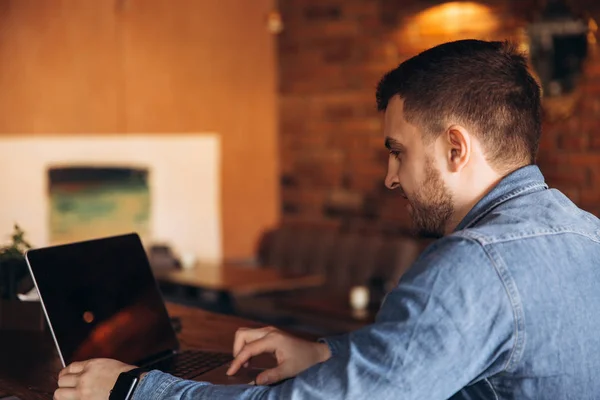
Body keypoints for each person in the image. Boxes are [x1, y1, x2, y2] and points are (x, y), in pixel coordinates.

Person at [53, 39, 600, 400]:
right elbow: (423, 355)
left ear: (456, 147)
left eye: (398, 151)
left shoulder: (474, 265)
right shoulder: (586, 232)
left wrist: (133, 389)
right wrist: (323, 353)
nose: (390, 177)